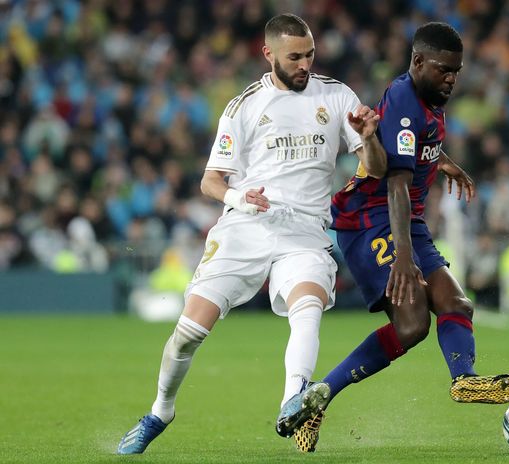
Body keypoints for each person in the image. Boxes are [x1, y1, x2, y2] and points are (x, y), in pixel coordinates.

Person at [116, 14, 387, 454]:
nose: (304, 64)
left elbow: (374, 169)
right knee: (188, 332)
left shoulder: (337, 97)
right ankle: (160, 411)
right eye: (294, 56)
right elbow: (211, 182)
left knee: (308, 304)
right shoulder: (244, 107)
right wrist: (241, 199)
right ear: (269, 54)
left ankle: (293, 400)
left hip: (304, 231)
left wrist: (370, 139)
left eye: (309, 54)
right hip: (245, 226)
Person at [275, 22, 509, 452]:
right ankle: (316, 399)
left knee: (455, 302)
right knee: (412, 324)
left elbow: (409, 144)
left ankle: (464, 381)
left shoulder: (425, 99)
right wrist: (405, 258)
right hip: (371, 220)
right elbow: (394, 182)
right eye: (444, 69)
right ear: (417, 62)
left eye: (457, 71)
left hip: (406, 220)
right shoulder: (407, 99)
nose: (451, 78)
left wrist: (442, 161)